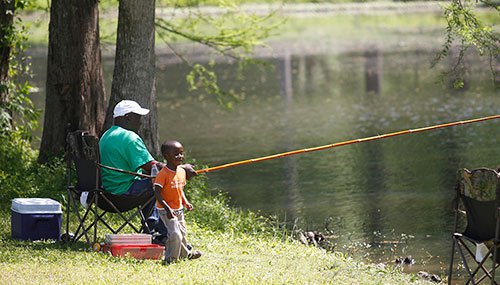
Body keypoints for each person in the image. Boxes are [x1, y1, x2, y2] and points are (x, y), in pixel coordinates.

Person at [99, 100, 196, 242]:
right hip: (123, 193)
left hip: (106, 193)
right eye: (138, 117)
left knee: (153, 183)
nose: (140, 122)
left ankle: (151, 228)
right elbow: (153, 167)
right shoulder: (129, 138)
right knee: (162, 185)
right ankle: (162, 235)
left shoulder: (106, 135)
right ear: (127, 117)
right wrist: (182, 169)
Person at [154, 140, 201, 264]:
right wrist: (168, 209)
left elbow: (180, 190)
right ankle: (170, 259)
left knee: (183, 234)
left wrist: (185, 202)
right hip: (166, 210)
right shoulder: (163, 174)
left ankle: (186, 254)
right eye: (176, 154)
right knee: (175, 234)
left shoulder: (181, 171)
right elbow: (157, 193)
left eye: (181, 153)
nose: (180, 156)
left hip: (178, 209)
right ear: (166, 156)